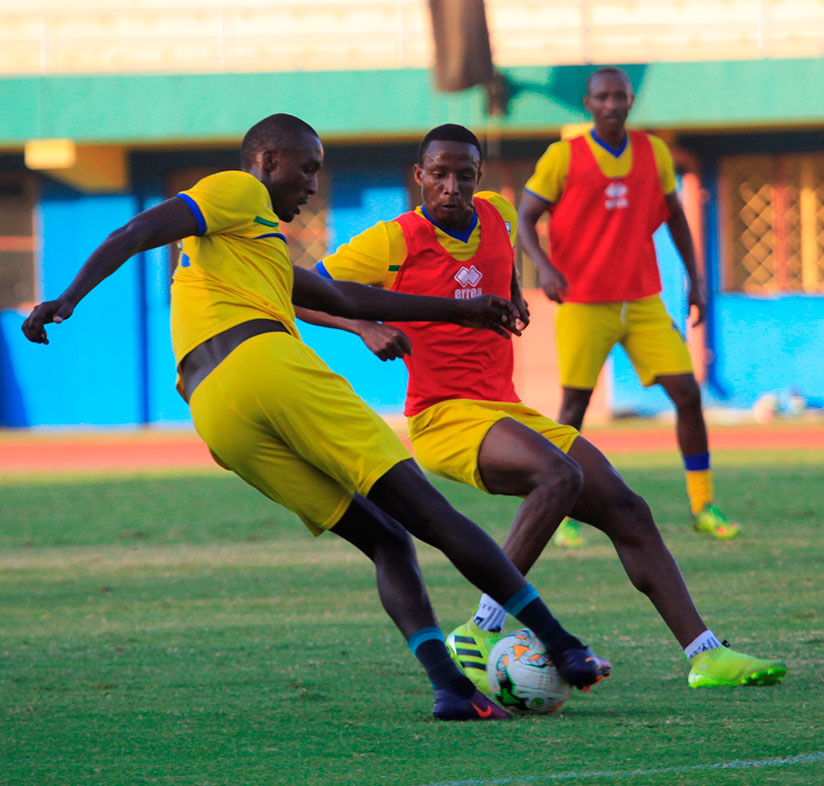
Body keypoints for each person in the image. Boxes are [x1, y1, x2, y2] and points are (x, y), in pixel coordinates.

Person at [21, 113, 614, 722]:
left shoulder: (255, 248)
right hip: (267, 365)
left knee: (386, 538)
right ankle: (562, 645)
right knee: (429, 512)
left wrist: (461, 311)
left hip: (216, 415)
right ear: (268, 161)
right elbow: (139, 228)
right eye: (307, 168)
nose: (311, 184)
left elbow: (345, 297)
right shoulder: (237, 189)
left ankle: (451, 688)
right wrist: (69, 296)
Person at [296, 122, 787, 691]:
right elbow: (304, 289)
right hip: (442, 415)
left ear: (479, 177)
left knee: (628, 509)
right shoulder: (393, 240)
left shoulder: (500, 215)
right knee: (559, 476)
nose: (451, 186)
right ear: (419, 177)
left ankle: (705, 654)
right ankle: (482, 627)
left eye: (463, 174)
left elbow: (502, 269)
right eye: (439, 175)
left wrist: (509, 302)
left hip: (507, 409)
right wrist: (362, 325)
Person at [518, 66, 738, 547]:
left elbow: (676, 216)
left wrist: (696, 282)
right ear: (589, 103)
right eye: (603, 97)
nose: (612, 104)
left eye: (620, 96)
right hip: (584, 302)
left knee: (687, 393)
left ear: (631, 100)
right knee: (574, 406)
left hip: (642, 300)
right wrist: (544, 268)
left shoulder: (652, 152)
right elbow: (526, 216)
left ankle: (703, 506)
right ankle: (562, 510)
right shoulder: (564, 156)